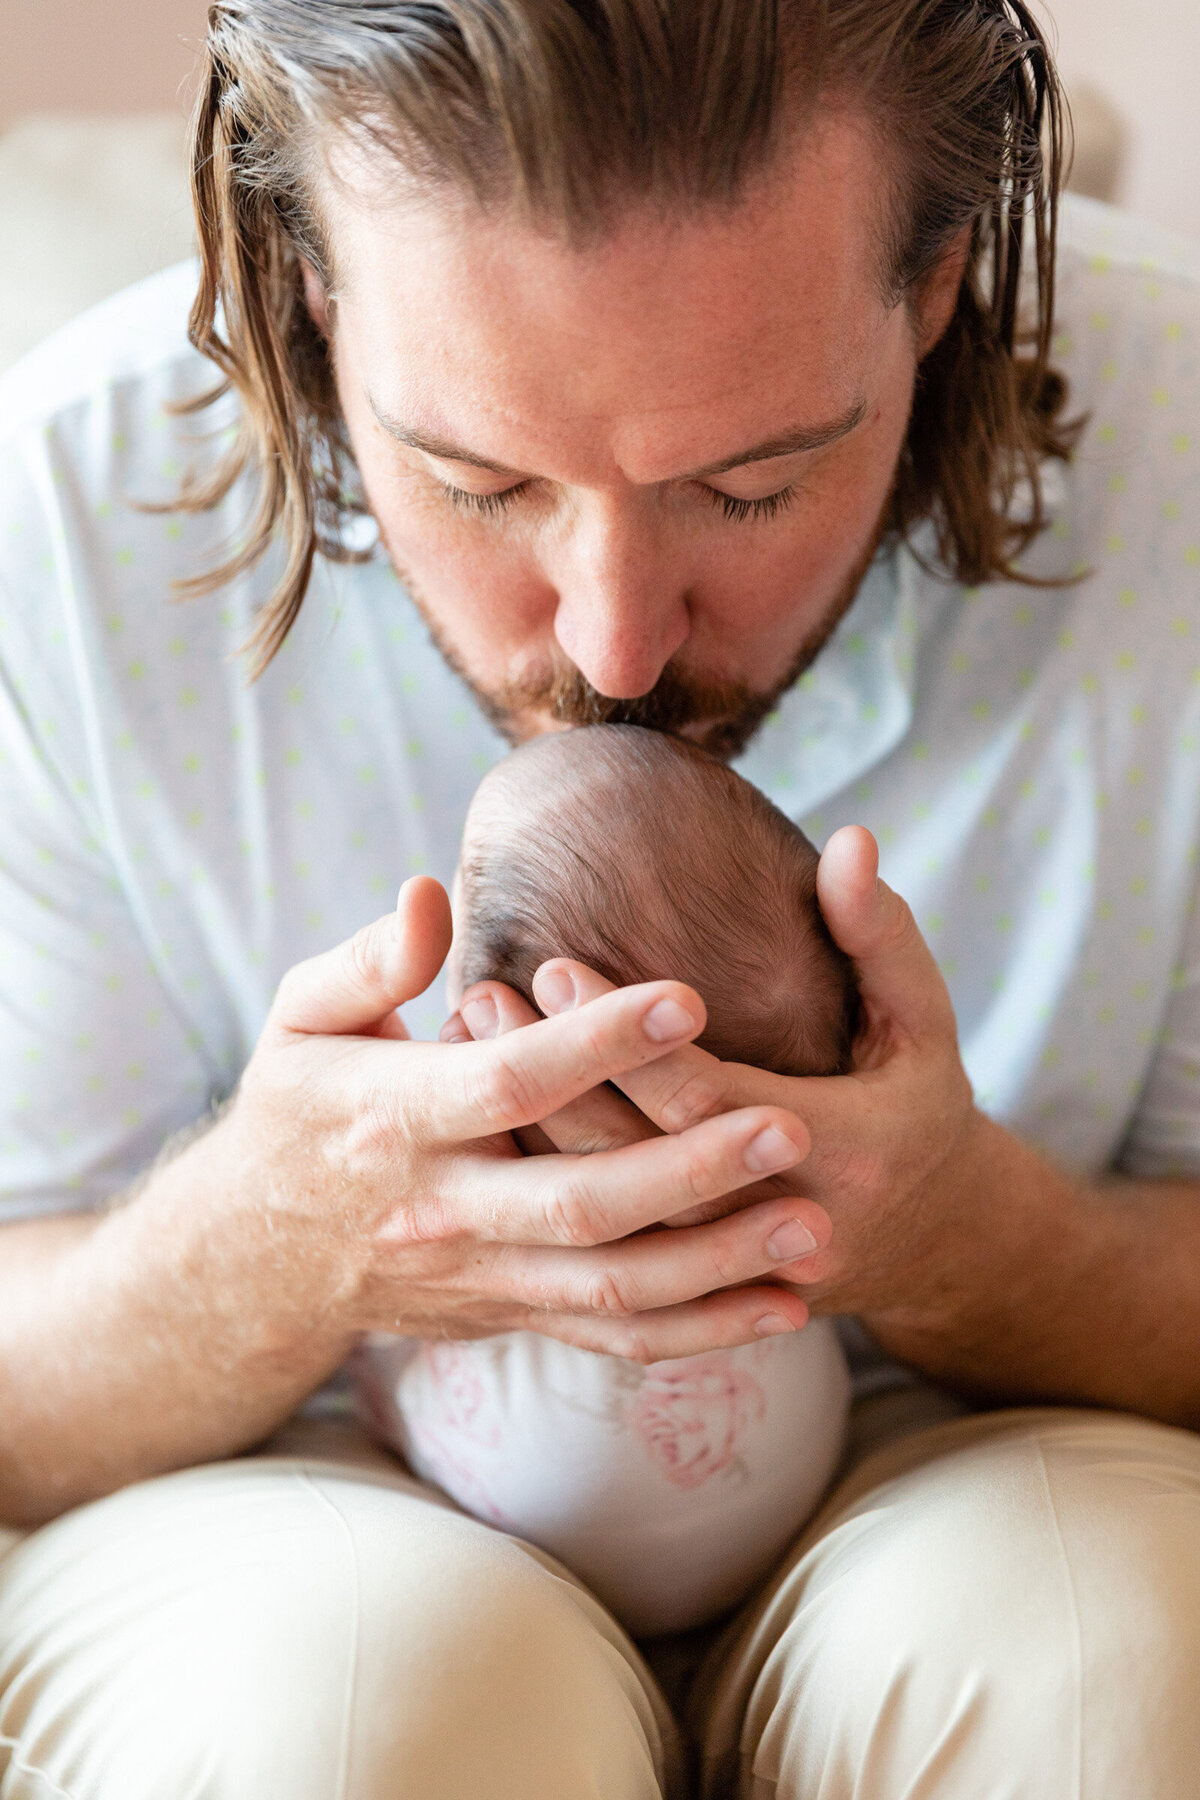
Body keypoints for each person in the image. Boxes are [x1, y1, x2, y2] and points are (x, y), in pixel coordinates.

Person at [2, 1, 1200, 1796]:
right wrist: (278, 1247)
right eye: (480, 482)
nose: (613, 637)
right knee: (347, 1720)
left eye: (752, 482)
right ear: (311, 280)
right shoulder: (66, 525)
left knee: (1097, 1676)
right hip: (306, 1467)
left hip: (978, 1436)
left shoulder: (1179, 474)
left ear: (942, 274)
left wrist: (970, 1241)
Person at [355, 723, 857, 1637]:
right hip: (786, 1474)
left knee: (396, 1327)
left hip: (539, 1503)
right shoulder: (814, 1175)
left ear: (502, 1045)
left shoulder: (489, 1125)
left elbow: (376, 1273)